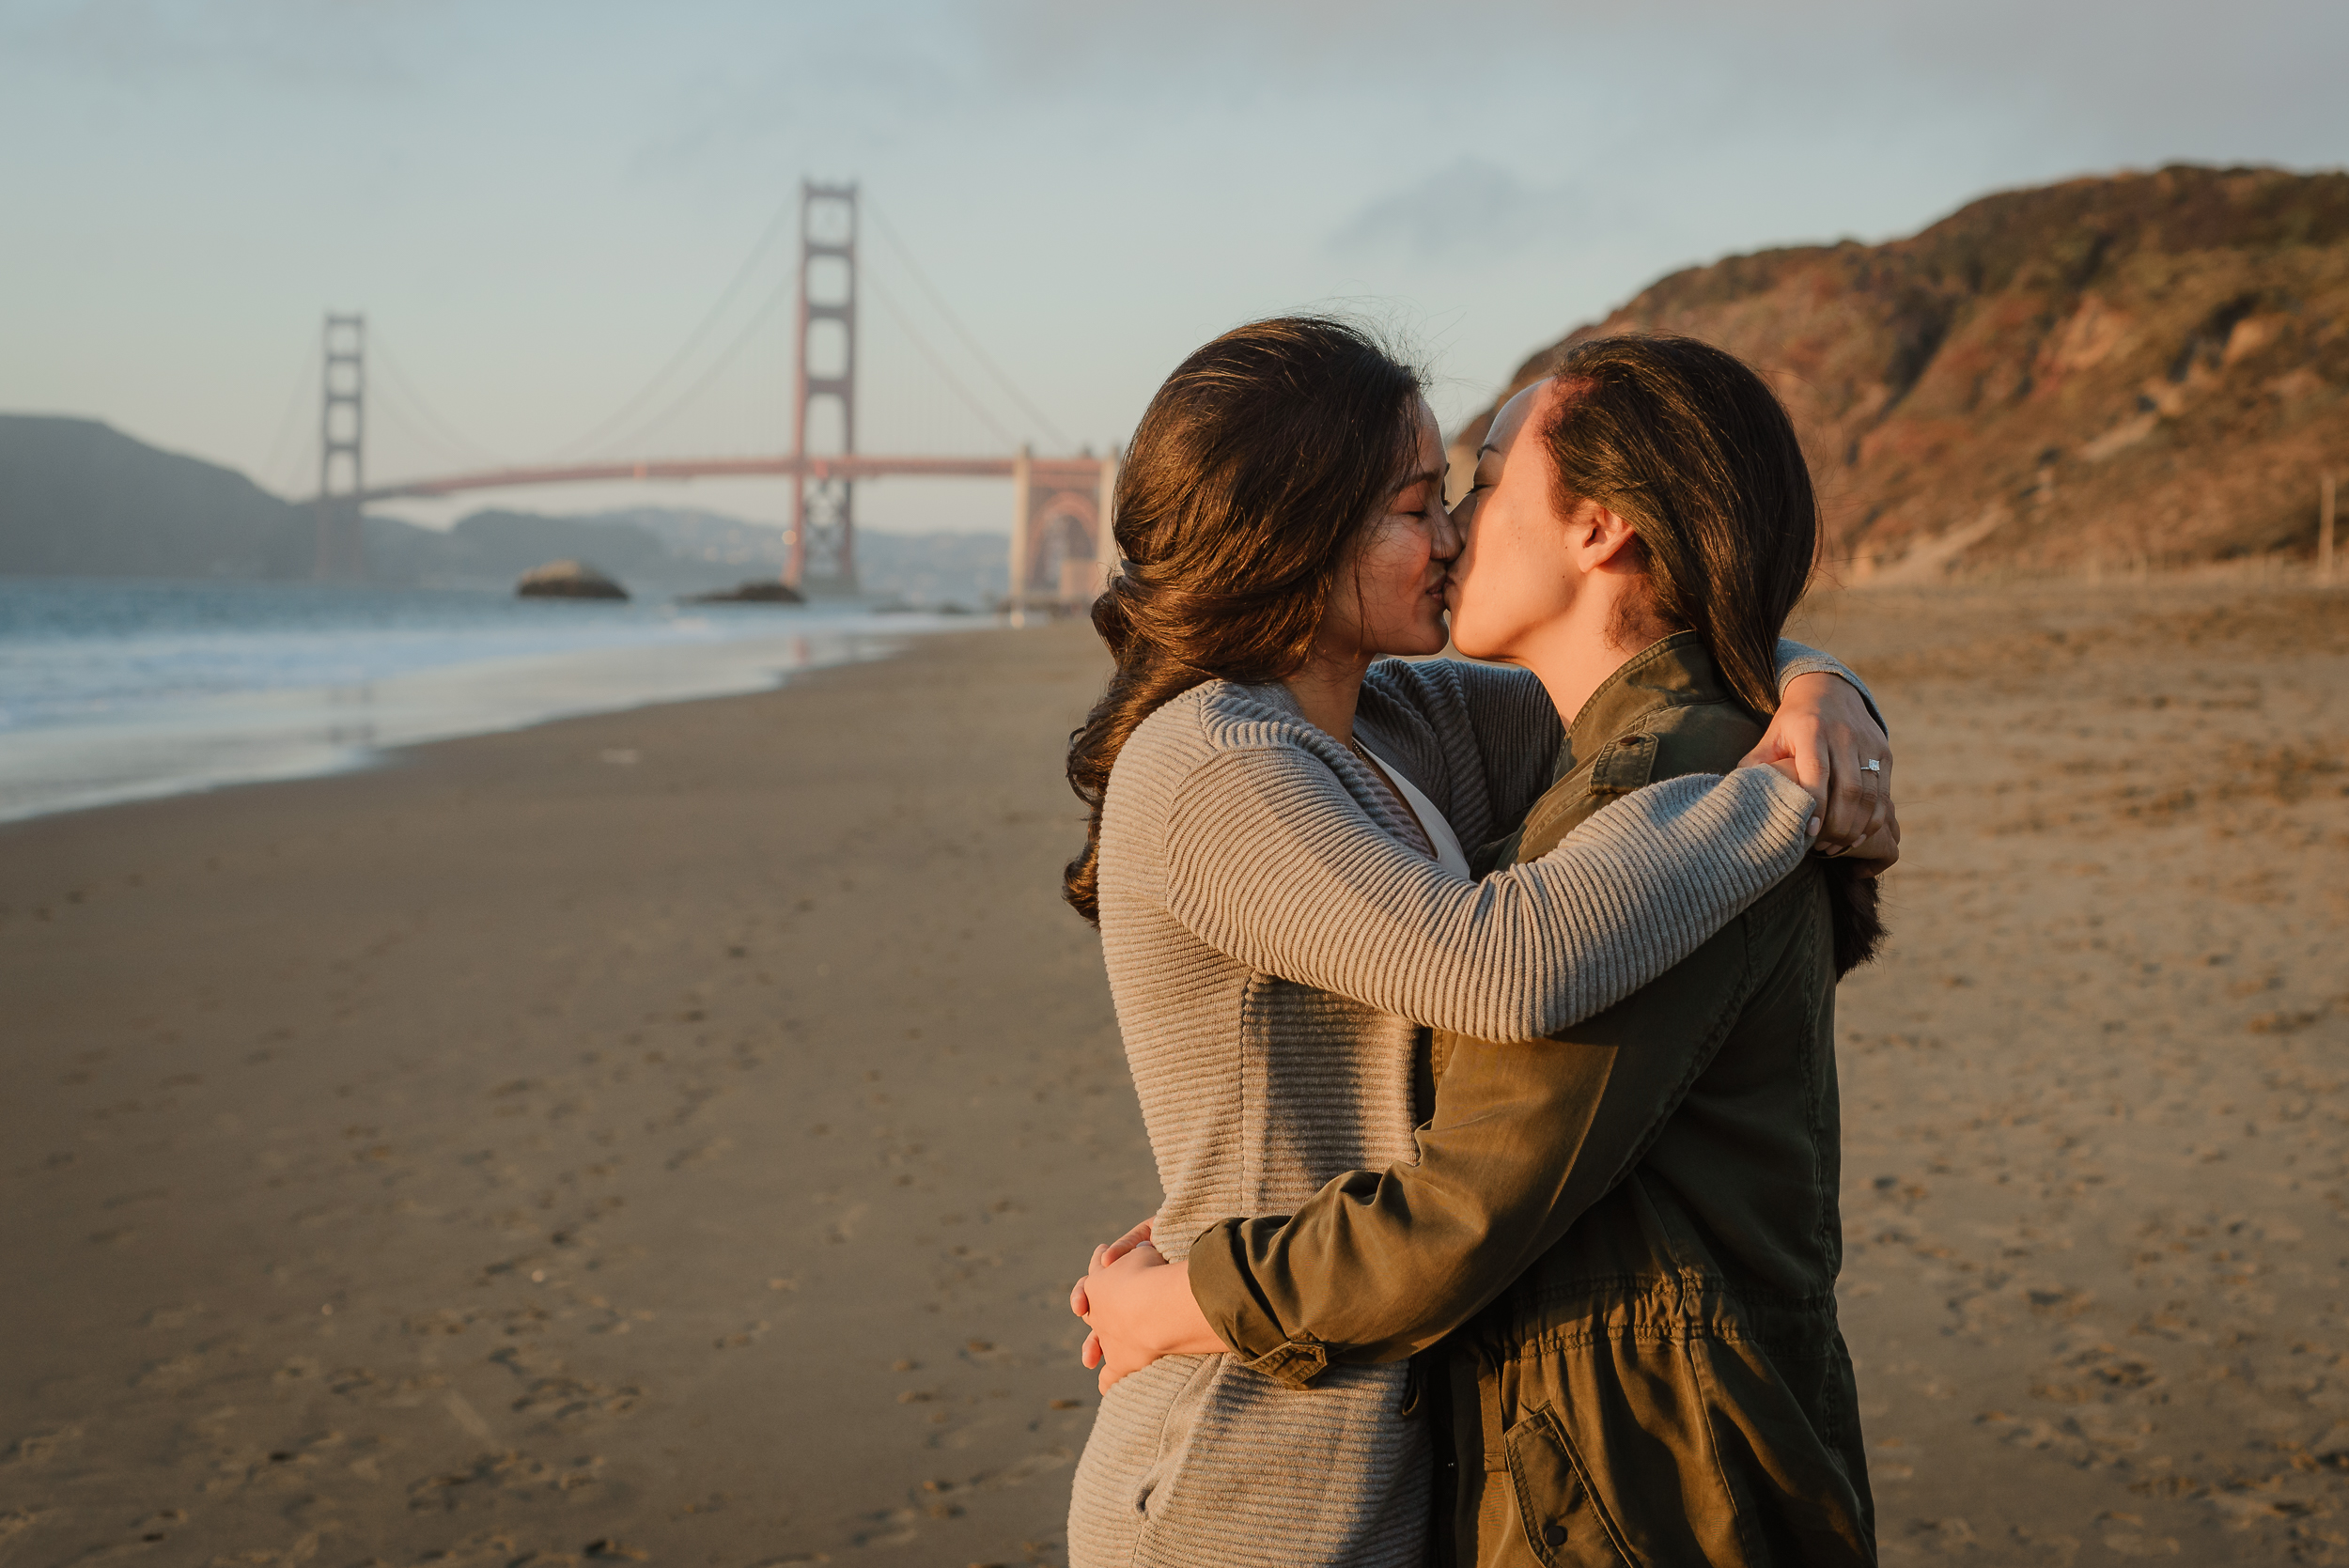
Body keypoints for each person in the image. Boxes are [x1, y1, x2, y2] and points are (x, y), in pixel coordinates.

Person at [1058, 318, 1892, 1568]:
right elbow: (1498, 963)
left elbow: (1683, 669)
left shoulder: (1408, 721)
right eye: (1418, 505)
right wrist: (1781, 796)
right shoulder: (1213, 762)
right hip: (1246, 1462)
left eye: (1464, 495)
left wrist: (1827, 697)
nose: (1450, 534)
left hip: (1396, 1434)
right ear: (1299, 523)